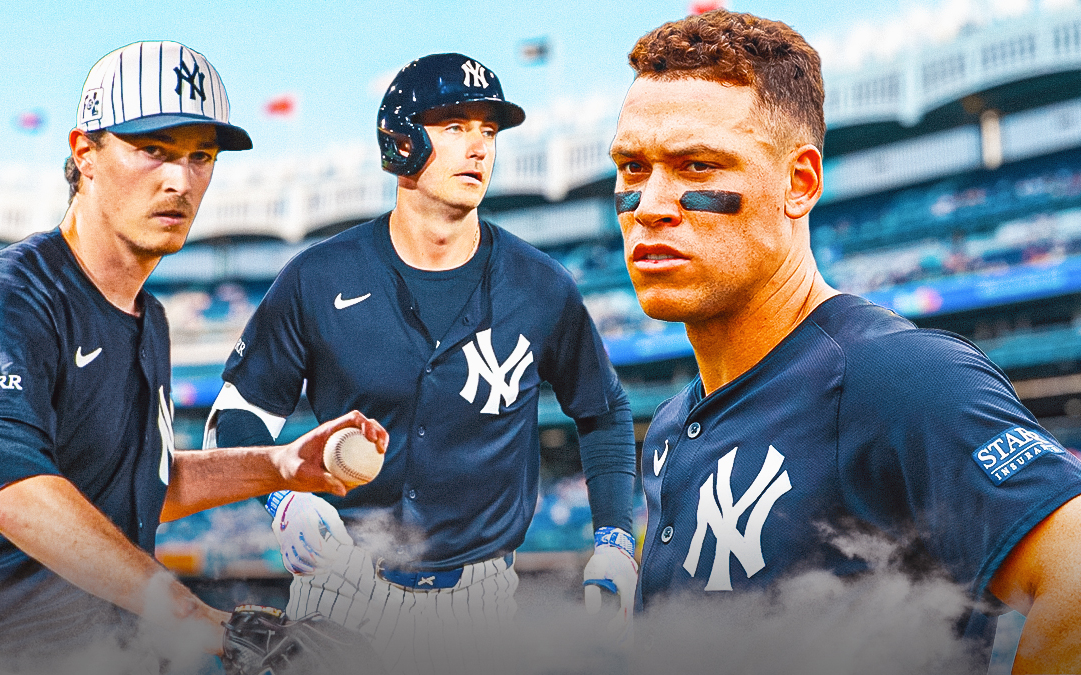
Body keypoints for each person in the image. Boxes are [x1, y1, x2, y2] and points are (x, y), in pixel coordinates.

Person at [0, 41, 386, 675]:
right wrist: (205, 624)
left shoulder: (150, 321)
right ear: (84, 153)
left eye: (200, 157)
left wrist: (279, 464)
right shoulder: (11, 296)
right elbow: (15, 491)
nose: (180, 180)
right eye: (154, 150)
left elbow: (133, 492)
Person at [612, 10, 1081, 673]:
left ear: (798, 183)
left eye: (697, 163)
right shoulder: (669, 427)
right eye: (633, 166)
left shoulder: (899, 377)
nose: (651, 203)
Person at [205, 52, 638, 673]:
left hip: (481, 601)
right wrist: (284, 501)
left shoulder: (541, 285)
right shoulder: (318, 275)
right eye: (455, 126)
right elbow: (235, 416)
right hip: (342, 584)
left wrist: (615, 540)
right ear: (401, 139)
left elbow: (604, 412)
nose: (479, 148)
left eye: (488, 131)